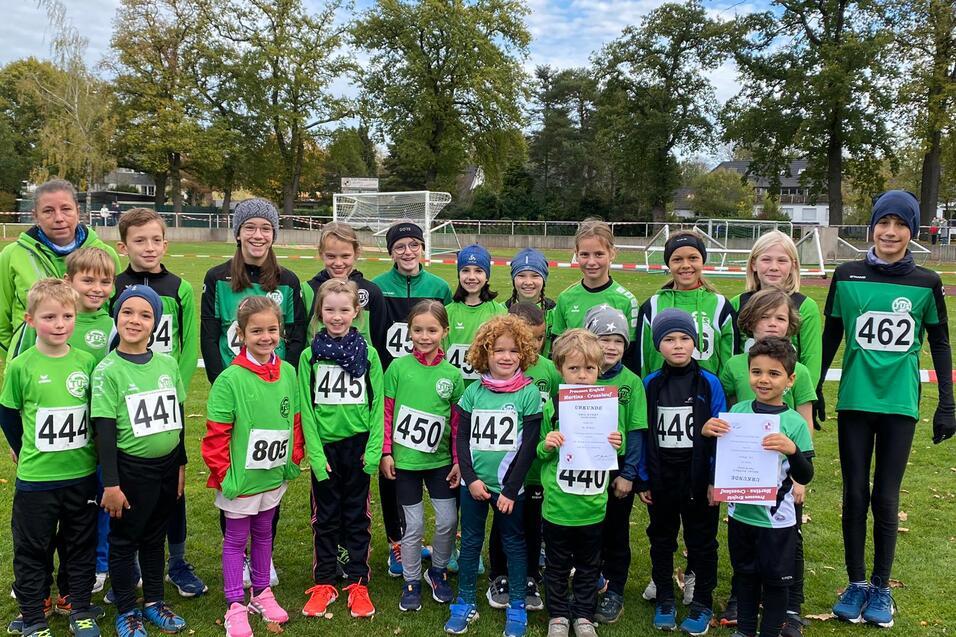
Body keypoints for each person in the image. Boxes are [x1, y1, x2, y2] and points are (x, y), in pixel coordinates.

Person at [821, 191, 954, 628]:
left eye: (900, 225)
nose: (890, 232)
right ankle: (856, 583)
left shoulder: (926, 282)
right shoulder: (847, 275)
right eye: (884, 223)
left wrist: (947, 404)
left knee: (886, 495)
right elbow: (830, 336)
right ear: (872, 227)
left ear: (912, 232)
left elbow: (940, 343)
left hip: (899, 405)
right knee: (855, 494)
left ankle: (881, 587)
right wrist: (816, 387)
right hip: (856, 402)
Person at [0, 279, 101, 637]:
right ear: (30, 320)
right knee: (33, 547)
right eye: (49, 317)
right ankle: (33, 614)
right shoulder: (21, 366)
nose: (60, 324)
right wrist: (21, 445)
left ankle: (78, 604)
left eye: (67, 316)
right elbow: (8, 414)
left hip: (80, 475)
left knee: (80, 543)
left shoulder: (87, 362)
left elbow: (96, 412)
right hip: (37, 479)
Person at [112, 208, 204, 598]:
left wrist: (173, 388)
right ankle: (128, 563)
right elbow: (109, 340)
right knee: (131, 483)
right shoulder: (113, 286)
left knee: (174, 482)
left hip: (166, 396)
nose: (148, 247)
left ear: (165, 244)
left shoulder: (180, 287)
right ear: (123, 246)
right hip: (127, 399)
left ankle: (178, 561)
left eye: (155, 240)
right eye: (139, 240)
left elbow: (188, 345)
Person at [202, 296, 305, 637]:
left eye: (272, 330)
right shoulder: (230, 380)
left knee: (264, 534)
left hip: (272, 476)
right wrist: (223, 475)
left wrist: (293, 459)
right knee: (235, 539)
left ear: (281, 331)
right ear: (241, 334)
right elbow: (216, 435)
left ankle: (261, 592)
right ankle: (234, 603)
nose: (265, 337)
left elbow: (295, 421)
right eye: (256, 330)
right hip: (240, 480)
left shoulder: (288, 372)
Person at [92, 285, 189, 636]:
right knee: (124, 542)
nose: (135, 320)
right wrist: (112, 484)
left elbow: (176, 417)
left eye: (145, 314)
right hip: (130, 472)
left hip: (165, 469)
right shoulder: (107, 370)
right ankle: (126, 610)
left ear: (155, 323)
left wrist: (180, 465)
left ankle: (153, 601)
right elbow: (104, 431)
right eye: (128, 312)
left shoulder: (166, 363)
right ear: (116, 317)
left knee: (154, 538)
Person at [702, 337, 814, 637]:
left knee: (777, 583)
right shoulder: (737, 412)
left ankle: (769, 633)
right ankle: (746, 631)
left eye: (773, 374)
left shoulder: (794, 423)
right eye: (756, 372)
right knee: (746, 577)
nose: (763, 380)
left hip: (777, 520)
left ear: (790, 380)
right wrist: (707, 433)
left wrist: (793, 450)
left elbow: (806, 474)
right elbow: (720, 458)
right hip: (741, 515)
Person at [444, 315, 543, 637]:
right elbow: (461, 437)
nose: (506, 357)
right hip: (474, 485)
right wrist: (470, 479)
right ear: (484, 354)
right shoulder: (473, 392)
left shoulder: (528, 393)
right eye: (498, 350)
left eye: (514, 351)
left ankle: (516, 605)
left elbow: (529, 445)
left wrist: (511, 490)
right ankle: (465, 601)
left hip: (510, 490)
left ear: (523, 354)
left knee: (515, 544)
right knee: (471, 543)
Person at [299, 279, 383, 620]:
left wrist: (374, 450)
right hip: (326, 449)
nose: (336, 316)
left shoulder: (370, 354)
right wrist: (316, 456)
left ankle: (357, 580)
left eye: (344, 309)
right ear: (320, 312)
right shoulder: (309, 356)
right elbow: (306, 408)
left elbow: (377, 406)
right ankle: (324, 580)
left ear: (356, 312)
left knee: (357, 516)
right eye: (329, 309)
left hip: (359, 446)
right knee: (325, 517)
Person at [371, 222, 452, 576]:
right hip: (394, 380)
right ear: (391, 251)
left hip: (430, 380)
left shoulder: (439, 287)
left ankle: (446, 541)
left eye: (413, 245)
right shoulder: (376, 287)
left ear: (423, 248)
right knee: (395, 471)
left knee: (437, 466)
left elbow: (443, 329)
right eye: (400, 246)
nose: (407, 252)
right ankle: (397, 540)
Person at [640, 309, 725, 635]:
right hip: (663, 478)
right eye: (669, 339)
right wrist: (645, 478)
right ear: (658, 345)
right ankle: (664, 597)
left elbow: (721, 435)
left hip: (699, 478)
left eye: (685, 338)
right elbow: (644, 433)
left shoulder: (709, 383)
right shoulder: (651, 383)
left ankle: (702, 600)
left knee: (702, 541)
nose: (678, 345)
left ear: (695, 342)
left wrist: (715, 480)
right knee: (661, 539)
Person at [537, 329, 623, 637]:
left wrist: (617, 441)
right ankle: (558, 615)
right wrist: (547, 444)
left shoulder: (607, 405)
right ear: (560, 369)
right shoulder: (552, 407)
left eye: (589, 368)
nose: (583, 375)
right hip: (559, 506)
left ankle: (584, 614)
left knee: (589, 566)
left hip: (593, 505)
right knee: (557, 566)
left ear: (599, 369)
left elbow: (618, 446)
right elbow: (538, 453)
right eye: (574, 368)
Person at [380, 300, 464, 612]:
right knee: (412, 527)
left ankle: (438, 572)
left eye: (432, 330)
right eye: (418, 330)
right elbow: (387, 414)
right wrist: (387, 452)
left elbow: (457, 422)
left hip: (439, 462)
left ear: (444, 332)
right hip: (406, 463)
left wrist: (457, 459)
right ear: (409, 331)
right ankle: (412, 579)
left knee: (447, 520)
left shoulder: (452, 375)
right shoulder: (399, 368)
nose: (424, 336)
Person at [485, 303, 560, 613]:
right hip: (504, 468)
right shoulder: (498, 367)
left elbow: (558, 413)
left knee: (532, 523)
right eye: (527, 338)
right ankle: (498, 575)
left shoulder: (549, 371)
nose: (534, 344)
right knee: (502, 523)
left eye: (541, 338)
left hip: (536, 466)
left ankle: (530, 575)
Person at [0, 179, 119, 360]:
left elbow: (114, 311)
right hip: (33, 369)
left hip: (93, 366)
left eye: (66, 209)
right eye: (48, 211)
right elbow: (2, 320)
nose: (59, 218)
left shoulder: (105, 254)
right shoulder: (12, 255)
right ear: (35, 215)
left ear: (78, 212)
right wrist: (21, 359)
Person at [582, 306, 647, 625]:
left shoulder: (631, 383)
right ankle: (589, 584)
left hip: (617, 467)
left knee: (616, 531)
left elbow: (636, 431)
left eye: (618, 341)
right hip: (582, 465)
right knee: (588, 530)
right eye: (603, 339)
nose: (610, 347)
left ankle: (615, 589)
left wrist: (628, 473)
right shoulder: (578, 375)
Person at [200, 198, 307, 384]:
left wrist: (284, 379)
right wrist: (220, 383)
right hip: (232, 381)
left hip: (275, 380)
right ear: (238, 233)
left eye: (266, 228)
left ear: (273, 235)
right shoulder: (216, 278)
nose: (258, 235)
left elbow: (297, 337)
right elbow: (209, 338)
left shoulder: (289, 281)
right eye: (249, 227)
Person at [634, 231, 737, 377]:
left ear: (702, 260)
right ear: (668, 264)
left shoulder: (720, 306)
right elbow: (642, 360)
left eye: (693, 258)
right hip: (660, 395)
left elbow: (729, 362)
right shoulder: (652, 306)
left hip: (706, 395)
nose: (686, 265)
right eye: (677, 259)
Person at [731, 230, 822, 391]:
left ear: (793, 265)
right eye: (766, 260)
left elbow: (811, 361)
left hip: (787, 400)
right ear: (753, 264)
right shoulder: (737, 303)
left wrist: (803, 397)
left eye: (782, 260)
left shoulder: (806, 306)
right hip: (745, 399)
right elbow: (729, 355)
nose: (774, 267)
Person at [551, 218, 639, 342]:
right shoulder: (565, 298)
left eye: (599, 254)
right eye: (584, 254)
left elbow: (630, 353)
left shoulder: (627, 301)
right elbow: (557, 348)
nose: (591, 262)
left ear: (612, 253)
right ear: (576, 255)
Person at [303, 221, 387, 349]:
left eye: (345, 256)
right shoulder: (307, 290)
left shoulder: (371, 292)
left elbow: (379, 341)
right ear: (321, 254)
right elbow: (300, 339)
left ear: (356, 253)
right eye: (331, 256)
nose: (338, 263)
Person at [444, 244, 507, 387]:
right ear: (459, 274)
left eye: (478, 271)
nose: (471, 277)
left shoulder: (499, 313)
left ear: (487, 276)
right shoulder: (447, 312)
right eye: (465, 271)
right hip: (453, 388)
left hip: (487, 390)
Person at [506, 248, 555, 355]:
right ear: (513, 279)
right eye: (521, 275)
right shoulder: (501, 311)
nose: (528, 282)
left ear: (544, 279)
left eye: (535, 276)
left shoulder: (554, 312)